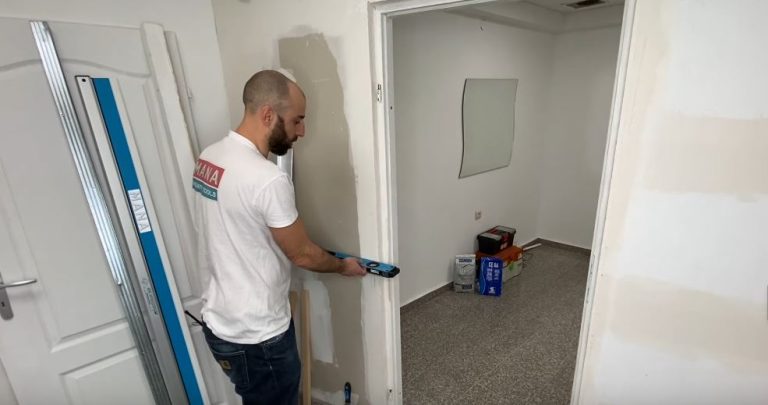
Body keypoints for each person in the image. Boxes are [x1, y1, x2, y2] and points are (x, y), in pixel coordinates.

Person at [193, 70, 366, 405]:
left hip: (219, 323)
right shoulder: (267, 179)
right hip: (259, 335)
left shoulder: (209, 157)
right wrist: (343, 266)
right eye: (297, 120)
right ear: (268, 115)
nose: (302, 131)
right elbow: (302, 254)